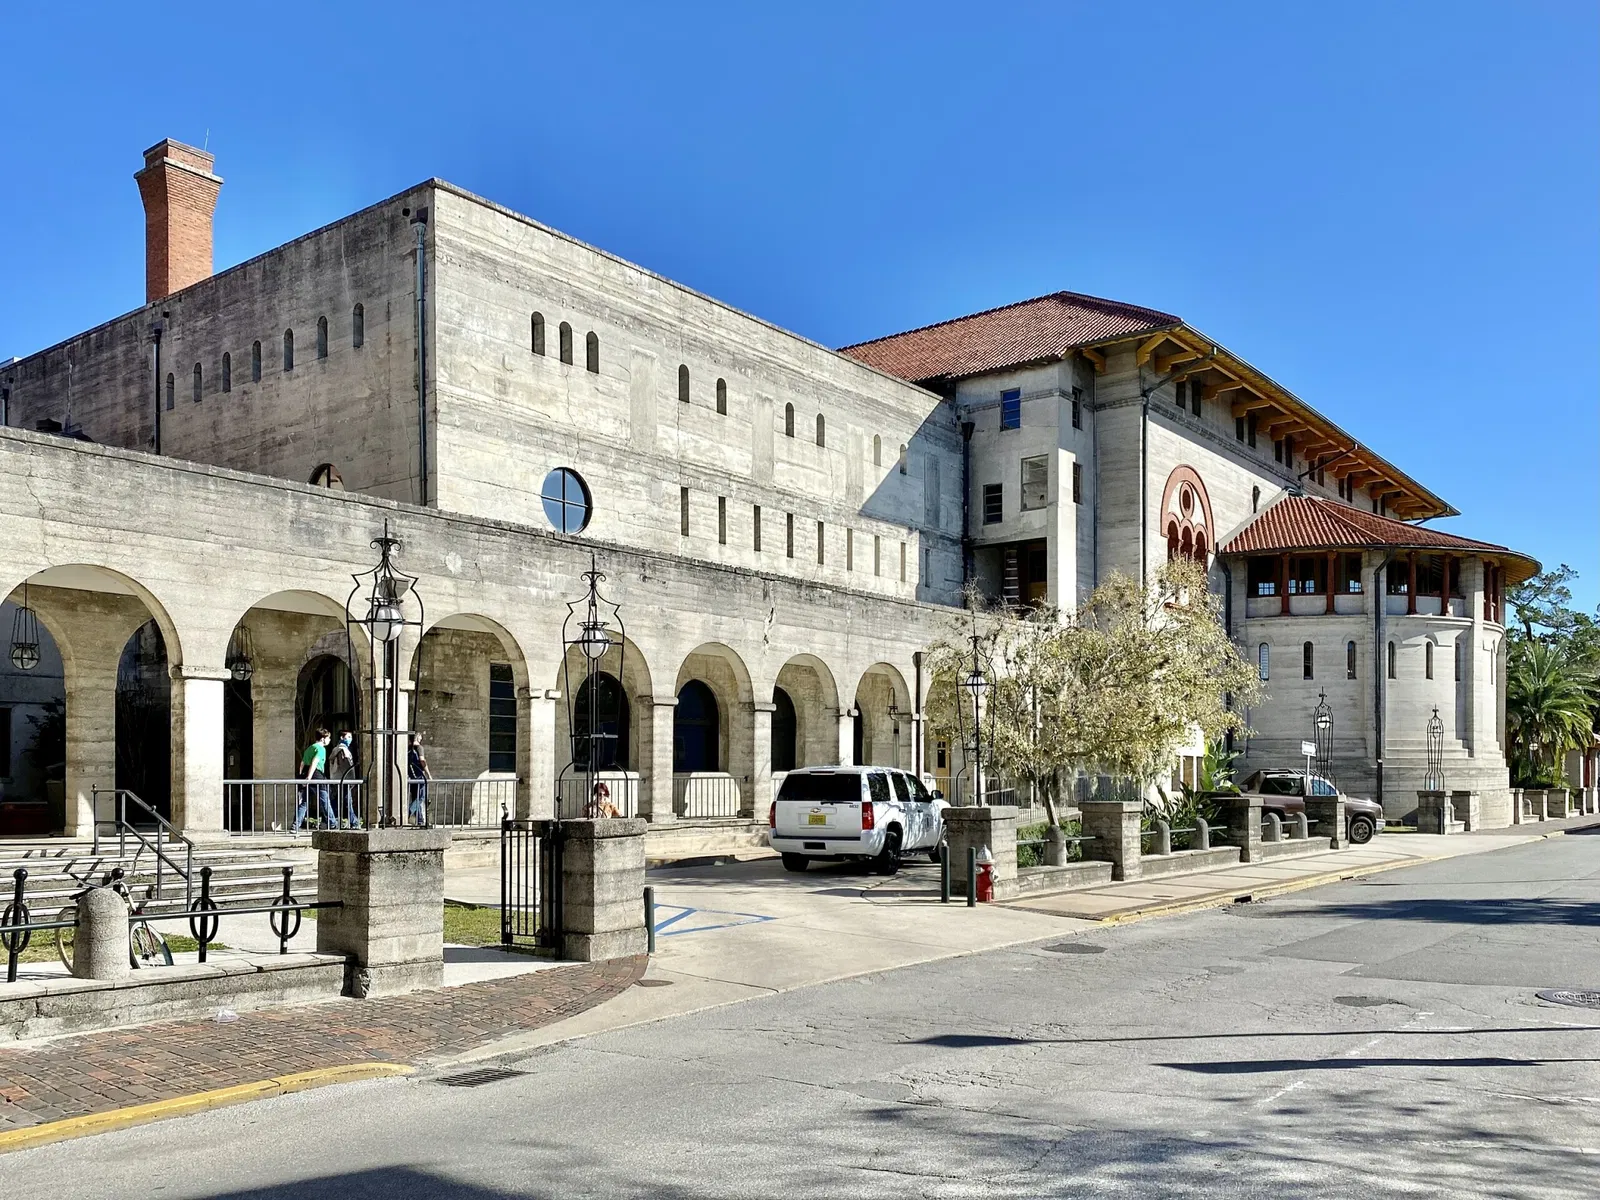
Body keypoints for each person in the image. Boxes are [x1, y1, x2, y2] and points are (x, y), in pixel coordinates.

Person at [294, 728, 331, 831]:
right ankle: (332, 822)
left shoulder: (310, 748)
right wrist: (309, 778)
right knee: (324, 799)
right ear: (323, 739)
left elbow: (302, 764)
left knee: (304, 802)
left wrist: (302, 776)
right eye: (328, 738)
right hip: (316, 775)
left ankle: (295, 825)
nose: (329, 740)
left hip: (307, 774)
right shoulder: (321, 749)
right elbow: (315, 762)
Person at [329, 730, 360, 828]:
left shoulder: (337, 749)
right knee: (347, 801)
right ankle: (353, 821)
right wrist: (351, 779)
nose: (350, 739)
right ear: (342, 738)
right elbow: (345, 766)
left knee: (337, 800)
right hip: (344, 779)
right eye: (348, 737)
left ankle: (333, 820)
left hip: (337, 778)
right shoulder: (342, 750)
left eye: (351, 737)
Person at [406, 732, 431, 827]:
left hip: (411, 776)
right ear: (417, 737)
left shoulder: (408, 748)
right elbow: (422, 761)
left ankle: (420, 820)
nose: (421, 738)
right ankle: (408, 812)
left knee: (415, 797)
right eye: (420, 736)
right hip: (420, 776)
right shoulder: (419, 748)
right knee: (420, 798)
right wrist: (428, 773)